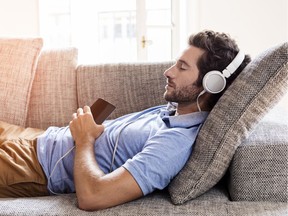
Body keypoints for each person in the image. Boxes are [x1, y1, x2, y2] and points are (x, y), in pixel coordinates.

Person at [0, 30, 251, 211]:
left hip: (35, 167)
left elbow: (93, 197)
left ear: (211, 84)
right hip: (36, 136)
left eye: (182, 67)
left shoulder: (174, 145)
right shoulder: (174, 110)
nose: (168, 71)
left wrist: (85, 139)